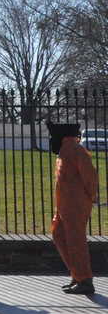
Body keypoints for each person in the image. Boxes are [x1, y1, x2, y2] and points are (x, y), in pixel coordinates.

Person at [48, 121, 100, 295]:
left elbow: (91, 176)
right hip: (64, 205)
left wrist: (91, 197)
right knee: (59, 234)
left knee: (76, 241)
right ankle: (78, 275)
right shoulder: (64, 152)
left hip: (76, 205)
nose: (50, 140)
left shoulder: (76, 150)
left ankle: (84, 280)